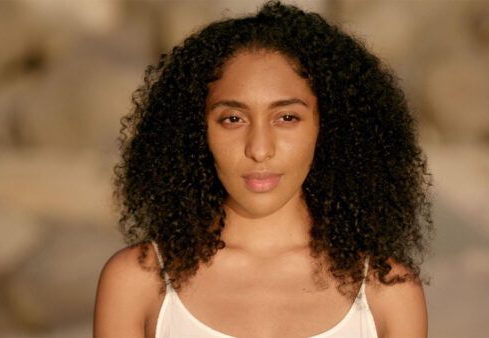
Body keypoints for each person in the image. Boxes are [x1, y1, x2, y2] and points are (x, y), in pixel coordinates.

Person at [94, 1, 432, 337]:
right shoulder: (137, 283)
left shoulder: (387, 296)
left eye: (286, 118)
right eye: (233, 119)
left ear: (328, 127)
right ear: (196, 130)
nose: (259, 149)